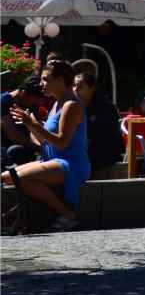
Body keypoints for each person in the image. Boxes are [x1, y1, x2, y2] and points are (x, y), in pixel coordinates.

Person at [6, 59, 89, 231]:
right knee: (6, 177)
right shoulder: (56, 104)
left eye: (46, 79)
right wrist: (30, 125)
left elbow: (62, 142)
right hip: (51, 159)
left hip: (70, 164)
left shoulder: (71, 105)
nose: (41, 84)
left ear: (60, 80)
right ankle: (15, 215)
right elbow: (44, 141)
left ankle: (67, 214)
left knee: (19, 178)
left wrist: (34, 124)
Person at [69, 63, 123, 173]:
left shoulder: (105, 108)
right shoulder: (75, 106)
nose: (75, 90)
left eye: (80, 87)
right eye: (74, 86)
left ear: (91, 88)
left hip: (102, 156)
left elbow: (102, 139)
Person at [1, 76, 44, 169]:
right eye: (35, 100)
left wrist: (42, 146)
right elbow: (13, 135)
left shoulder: (31, 102)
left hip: (29, 145)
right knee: (15, 150)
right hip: (8, 147)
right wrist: (39, 148)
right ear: (23, 93)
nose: (37, 103)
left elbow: (34, 129)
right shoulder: (3, 102)